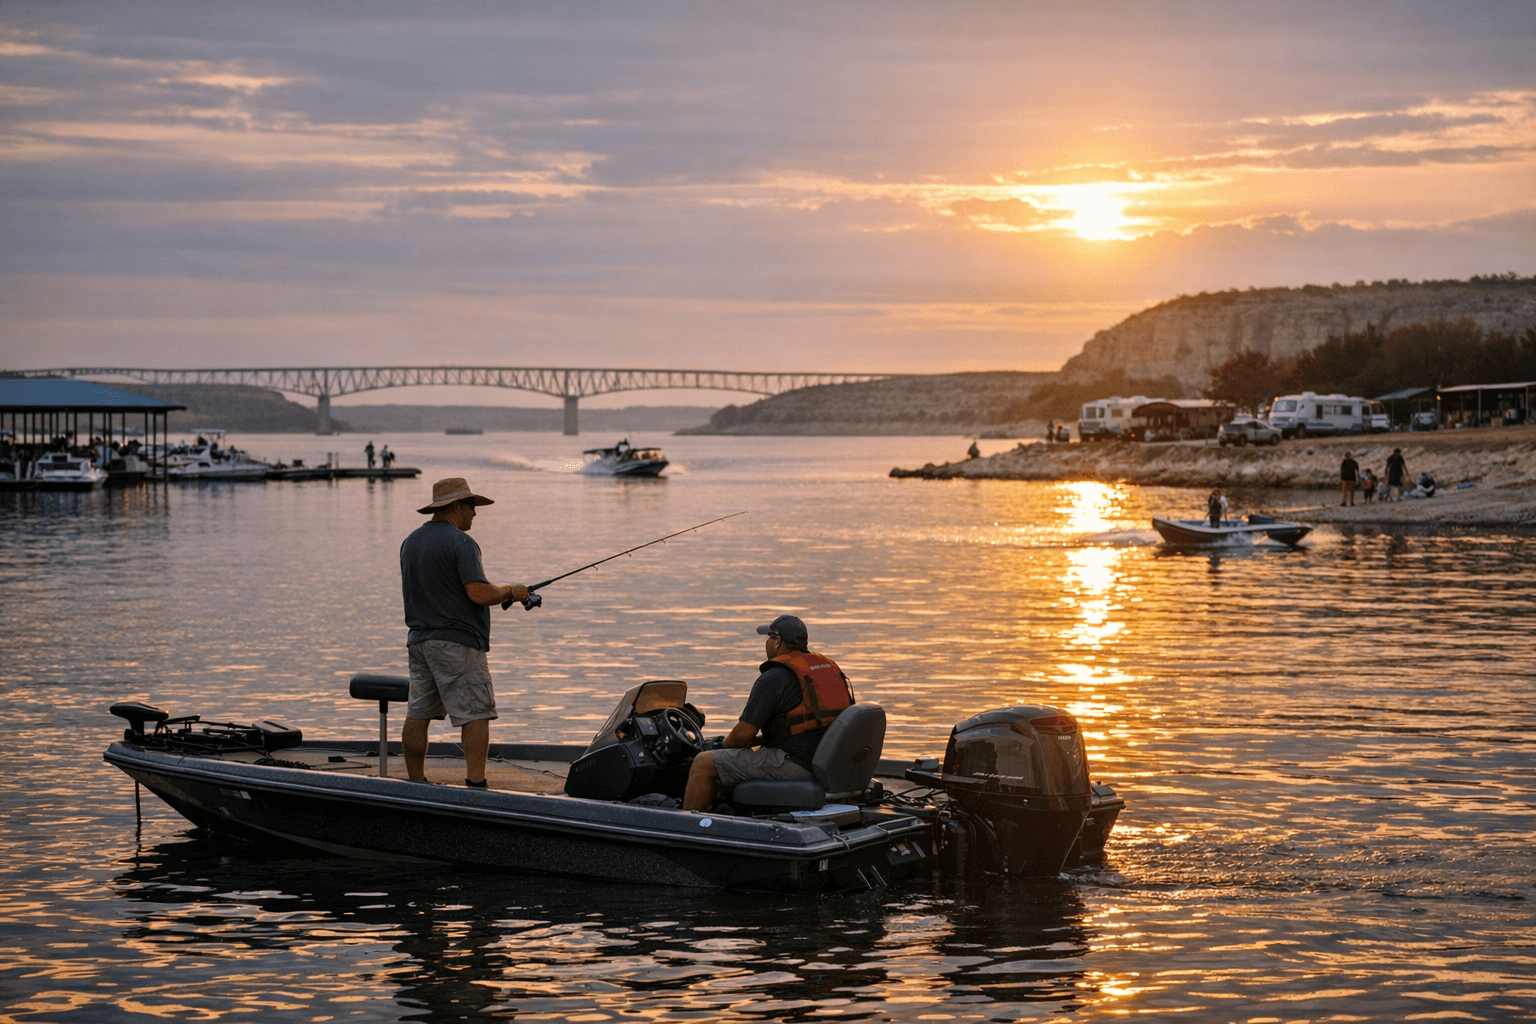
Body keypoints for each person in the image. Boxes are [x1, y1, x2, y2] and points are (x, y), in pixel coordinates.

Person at [399, 477, 530, 788]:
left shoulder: (410, 542)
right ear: (455, 506)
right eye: (471, 506)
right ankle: (476, 785)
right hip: (456, 644)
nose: (475, 512)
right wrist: (512, 591)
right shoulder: (462, 542)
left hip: (419, 642)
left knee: (418, 712)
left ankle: (416, 783)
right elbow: (479, 593)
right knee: (475, 713)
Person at [681, 615, 854, 812]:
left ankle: (686, 826)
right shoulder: (826, 670)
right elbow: (802, 730)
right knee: (730, 758)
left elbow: (741, 736)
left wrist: (721, 746)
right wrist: (756, 742)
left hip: (798, 766)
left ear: (778, 641)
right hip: (828, 762)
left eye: (769, 638)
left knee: (704, 763)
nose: (766, 644)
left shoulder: (772, 678)